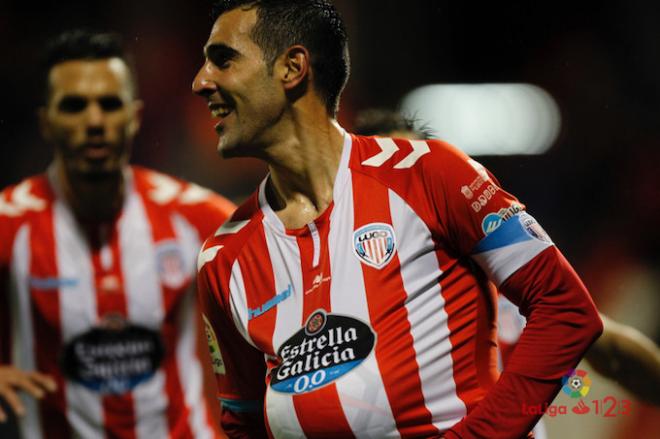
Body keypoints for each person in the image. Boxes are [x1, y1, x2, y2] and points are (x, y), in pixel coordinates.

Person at [192, 1, 603, 438]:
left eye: (224, 59)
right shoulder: (223, 257)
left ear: (293, 68)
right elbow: (243, 421)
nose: (201, 82)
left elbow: (567, 311)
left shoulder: (428, 175)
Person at [0, 29, 233, 438]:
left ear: (135, 116)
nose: (94, 121)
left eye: (109, 104)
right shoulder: (9, 222)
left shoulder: (196, 216)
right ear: (46, 122)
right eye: (74, 106)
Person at [355, 107, 660, 408]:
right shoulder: (339, 314)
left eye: (424, 173)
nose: (417, 192)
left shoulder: (502, 281)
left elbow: (609, 348)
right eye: (396, 180)